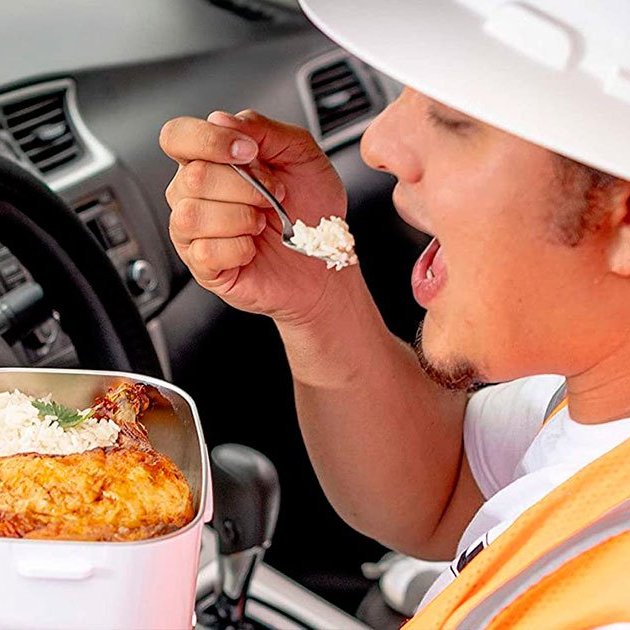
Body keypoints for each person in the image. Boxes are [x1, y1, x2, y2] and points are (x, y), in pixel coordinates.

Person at [159, 0, 630, 625]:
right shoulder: (592, 401)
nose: (377, 145)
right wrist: (319, 305)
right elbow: (443, 491)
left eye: (457, 117)